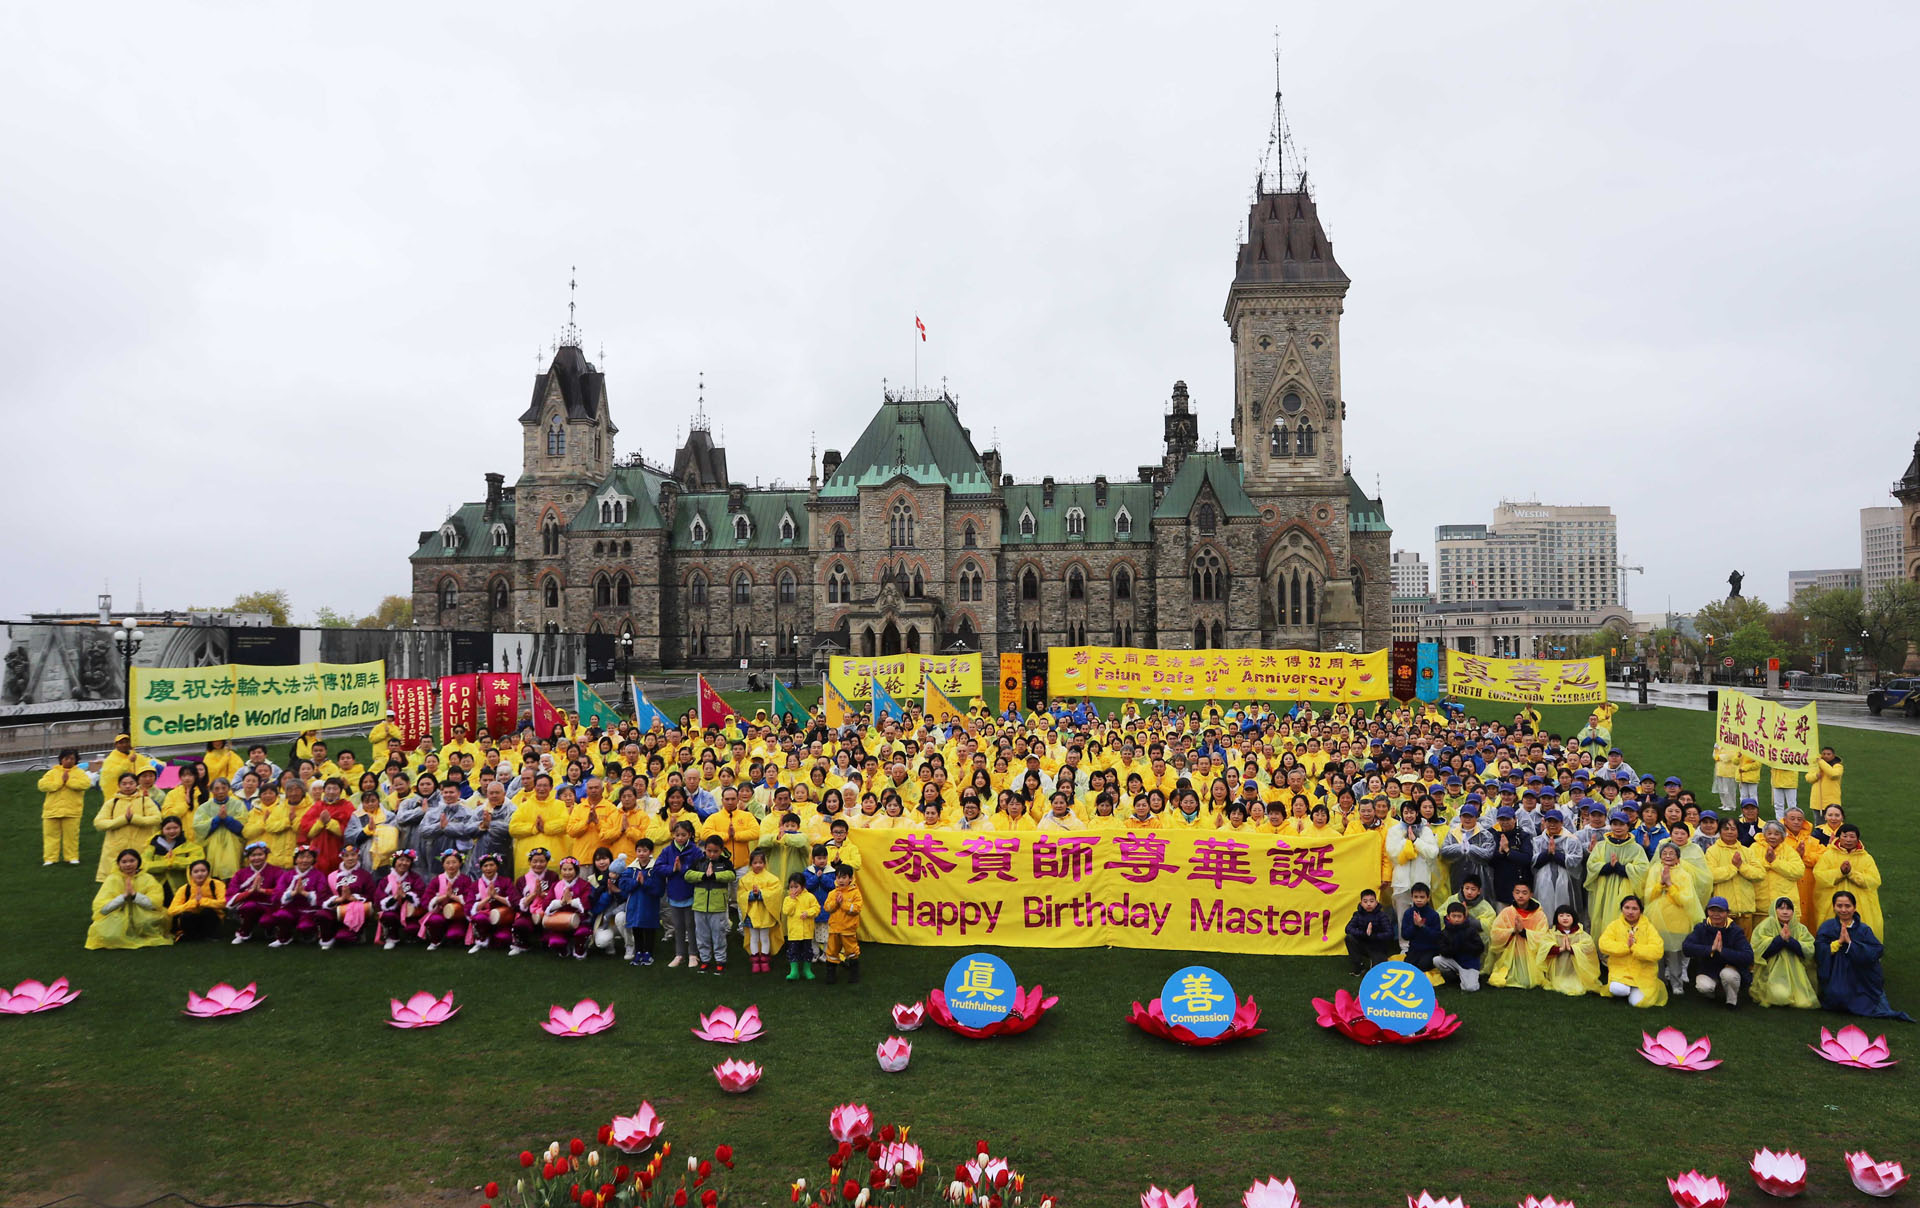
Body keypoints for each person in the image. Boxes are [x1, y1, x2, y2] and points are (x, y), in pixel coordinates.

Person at [1815, 891, 1911, 1021]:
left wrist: (1850, 944)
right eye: (1839, 906)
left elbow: (1876, 950)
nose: (1843, 910)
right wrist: (1838, 943)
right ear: (1834, 907)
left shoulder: (1863, 930)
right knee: (1837, 995)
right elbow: (1820, 951)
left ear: (1854, 907)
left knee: (1865, 1000)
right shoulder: (1827, 927)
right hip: (1837, 974)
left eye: (1847, 906)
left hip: (1861, 976)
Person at [1642, 841, 1703, 996]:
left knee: (1675, 954)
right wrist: (1660, 884)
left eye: (1672, 854)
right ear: (1660, 857)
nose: (1668, 856)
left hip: (1677, 920)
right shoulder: (1655, 870)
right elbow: (1648, 895)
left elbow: (1686, 899)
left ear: (1678, 858)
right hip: (1656, 918)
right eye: (1665, 853)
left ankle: (1677, 983)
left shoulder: (1684, 874)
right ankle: (1659, 981)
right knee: (1658, 953)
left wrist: (1669, 885)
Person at [87, 848, 171, 950]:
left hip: (143, 914)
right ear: (118, 864)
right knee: (109, 935)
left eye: (132, 861)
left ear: (138, 862)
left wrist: (135, 896)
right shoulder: (112, 879)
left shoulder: (147, 878)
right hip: (117, 914)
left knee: (148, 922)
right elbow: (103, 909)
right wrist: (124, 897)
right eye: (124, 862)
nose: (128, 865)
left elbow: (155, 904)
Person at [1583, 809, 1649, 934]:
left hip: (1626, 888)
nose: (1618, 827)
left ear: (1628, 826)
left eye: (1621, 824)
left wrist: (1621, 868)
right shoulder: (1601, 846)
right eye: (1615, 824)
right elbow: (1591, 865)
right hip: (1603, 889)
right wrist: (1608, 867)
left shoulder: (1636, 848)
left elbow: (1643, 869)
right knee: (1602, 918)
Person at [1681, 895, 1753, 1008]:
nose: (1716, 914)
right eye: (1712, 910)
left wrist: (1722, 951)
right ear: (1707, 911)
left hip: (1730, 968)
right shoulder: (1701, 927)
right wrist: (1711, 949)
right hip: (1708, 969)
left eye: (1720, 911)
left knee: (1728, 976)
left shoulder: (1736, 931)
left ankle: (1731, 1001)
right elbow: (1686, 948)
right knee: (1703, 987)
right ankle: (1713, 995)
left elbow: (1748, 956)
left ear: (1727, 912)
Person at [1813, 824, 1882, 938]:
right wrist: (1840, 872)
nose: (1848, 840)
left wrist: (1851, 873)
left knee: (1861, 933)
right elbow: (1819, 875)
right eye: (1845, 836)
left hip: (1861, 904)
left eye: (1852, 836)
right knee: (1831, 933)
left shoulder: (1866, 858)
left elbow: (1874, 880)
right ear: (1839, 837)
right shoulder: (1828, 855)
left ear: (1857, 839)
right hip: (1832, 903)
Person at [1598, 894, 1667, 1008]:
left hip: (1643, 974)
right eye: (1627, 908)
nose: (1630, 912)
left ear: (1641, 911)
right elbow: (1603, 944)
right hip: (1621, 973)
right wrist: (1626, 947)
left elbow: (1657, 951)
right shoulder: (1614, 925)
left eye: (1634, 908)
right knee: (1616, 989)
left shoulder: (1649, 927)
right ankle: (1627, 989)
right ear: (1622, 909)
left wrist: (1634, 947)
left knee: (1637, 1003)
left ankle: (1634, 990)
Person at [93, 772, 162, 882]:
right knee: (115, 883)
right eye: (124, 784)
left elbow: (156, 818)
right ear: (119, 785)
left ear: (136, 784)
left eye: (131, 783)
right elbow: (99, 823)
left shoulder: (145, 800)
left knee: (143, 880)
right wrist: (123, 820)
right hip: (116, 847)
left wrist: (134, 819)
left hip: (141, 846)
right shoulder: (112, 803)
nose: (128, 786)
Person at [1751, 896, 1818, 1009]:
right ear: (1774, 910)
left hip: (1796, 972)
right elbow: (1760, 951)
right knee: (1780, 996)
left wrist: (1790, 941)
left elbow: (1809, 951)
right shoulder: (1764, 927)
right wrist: (1779, 940)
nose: (1785, 912)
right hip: (1771, 972)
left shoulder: (1800, 928)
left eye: (1788, 909)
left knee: (1803, 1003)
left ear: (1793, 911)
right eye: (1781, 908)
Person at [685, 835, 737, 974]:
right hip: (700, 906)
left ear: (721, 850)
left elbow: (731, 876)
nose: (712, 854)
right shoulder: (699, 862)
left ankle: (720, 960)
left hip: (717, 906)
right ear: (705, 849)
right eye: (709, 851)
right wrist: (702, 876)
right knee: (702, 935)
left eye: (715, 851)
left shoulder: (725, 863)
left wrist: (715, 876)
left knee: (718, 935)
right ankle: (705, 960)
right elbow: (688, 875)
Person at [1529, 904, 1603, 997]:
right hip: (1558, 970)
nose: (1565, 918)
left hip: (1576, 971)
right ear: (1556, 918)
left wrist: (1572, 949)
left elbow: (1588, 948)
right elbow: (1544, 948)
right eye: (1561, 915)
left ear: (1574, 917)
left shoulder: (1581, 934)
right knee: (1560, 984)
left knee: (1579, 986)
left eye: (1568, 915)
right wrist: (1560, 949)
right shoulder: (1552, 933)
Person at [655, 820, 701, 968]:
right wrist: (672, 869)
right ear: (673, 835)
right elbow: (658, 867)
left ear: (690, 835)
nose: (680, 838)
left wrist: (682, 869)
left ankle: (693, 954)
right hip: (674, 894)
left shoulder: (695, 851)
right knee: (678, 926)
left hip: (691, 893)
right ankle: (679, 954)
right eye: (677, 835)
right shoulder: (667, 851)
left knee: (691, 925)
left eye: (683, 835)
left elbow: (699, 870)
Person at [616, 838, 666, 966]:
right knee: (636, 928)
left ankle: (648, 953)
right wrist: (636, 882)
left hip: (649, 905)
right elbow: (623, 885)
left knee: (649, 928)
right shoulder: (631, 869)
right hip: (634, 905)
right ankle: (638, 952)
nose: (641, 853)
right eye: (639, 850)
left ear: (651, 851)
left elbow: (659, 889)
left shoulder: (655, 869)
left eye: (645, 850)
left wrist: (645, 883)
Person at [1486, 882, 1545, 989]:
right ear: (1513, 894)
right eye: (1517, 892)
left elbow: (1543, 936)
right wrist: (1512, 931)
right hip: (1510, 955)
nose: (1520, 896)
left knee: (1528, 981)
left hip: (1530, 957)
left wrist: (1523, 932)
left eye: (1524, 893)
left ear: (1531, 895)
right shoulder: (1507, 912)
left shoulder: (1539, 914)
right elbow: (1495, 933)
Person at [317, 843, 375, 949]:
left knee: (343, 938)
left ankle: (357, 932)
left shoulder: (365, 875)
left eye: (353, 855)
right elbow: (324, 896)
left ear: (358, 856)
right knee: (322, 914)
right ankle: (328, 938)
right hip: (336, 908)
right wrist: (339, 899)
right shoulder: (332, 876)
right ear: (341, 857)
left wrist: (353, 898)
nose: (350, 858)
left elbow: (371, 895)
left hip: (355, 911)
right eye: (346, 855)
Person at [38, 749, 90, 865]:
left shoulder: (80, 773)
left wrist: (68, 782)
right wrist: (59, 783)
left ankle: (72, 857)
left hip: (72, 811)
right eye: (66, 758)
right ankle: (50, 858)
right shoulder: (53, 772)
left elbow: (85, 784)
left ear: (76, 760)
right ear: (61, 759)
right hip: (52, 811)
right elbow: (42, 785)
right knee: (50, 836)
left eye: (72, 758)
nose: (69, 761)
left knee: (71, 836)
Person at [268, 846, 326, 948]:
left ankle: (310, 933)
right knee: (281, 914)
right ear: (295, 859)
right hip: (291, 909)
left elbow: (322, 896)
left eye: (308, 857)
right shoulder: (287, 875)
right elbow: (277, 894)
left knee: (305, 926)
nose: (305, 860)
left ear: (313, 859)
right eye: (301, 857)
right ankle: (284, 937)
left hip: (309, 911)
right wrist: (293, 893)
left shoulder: (319, 875)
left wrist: (305, 893)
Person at [735, 848, 781, 974]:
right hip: (751, 914)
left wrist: (761, 894)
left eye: (760, 862)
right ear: (751, 864)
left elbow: (776, 893)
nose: (758, 865)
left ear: (765, 863)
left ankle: (765, 959)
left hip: (766, 914)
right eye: (755, 863)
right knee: (754, 938)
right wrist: (752, 895)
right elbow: (740, 894)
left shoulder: (771, 878)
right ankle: (755, 960)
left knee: (765, 937)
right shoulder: (745, 879)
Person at [225, 843, 283, 944]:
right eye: (253, 855)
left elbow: (282, 891)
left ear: (266, 855)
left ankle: (270, 929)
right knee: (250, 906)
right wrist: (250, 891)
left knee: (266, 921)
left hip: (270, 905)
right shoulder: (241, 873)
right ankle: (244, 932)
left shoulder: (276, 871)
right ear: (248, 857)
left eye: (260, 854)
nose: (256, 858)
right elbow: (231, 893)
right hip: (249, 906)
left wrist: (263, 891)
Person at [194, 778, 249, 879]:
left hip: (233, 844)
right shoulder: (205, 807)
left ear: (228, 789)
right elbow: (199, 827)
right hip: (212, 846)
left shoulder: (238, 804)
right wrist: (217, 819)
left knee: (232, 873)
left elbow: (243, 827)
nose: (220, 791)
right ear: (211, 790)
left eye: (224, 788)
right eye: (217, 788)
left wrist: (227, 819)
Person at [509, 847, 557, 957]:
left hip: (546, 913)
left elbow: (556, 895)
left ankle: (547, 940)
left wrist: (543, 895)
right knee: (520, 924)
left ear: (547, 862)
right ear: (530, 862)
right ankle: (522, 944)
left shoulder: (552, 876)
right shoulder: (522, 880)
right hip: (528, 914)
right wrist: (534, 895)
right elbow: (516, 902)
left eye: (542, 861)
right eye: (535, 861)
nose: (538, 864)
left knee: (549, 940)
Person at [466, 852, 516, 954]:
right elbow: (469, 906)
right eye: (485, 866)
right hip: (483, 918)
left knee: (503, 939)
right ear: (481, 868)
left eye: (492, 865)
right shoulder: (475, 885)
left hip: (502, 917)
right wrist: (488, 897)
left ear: (497, 866)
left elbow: (513, 900)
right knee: (479, 918)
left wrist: (496, 897)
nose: (488, 868)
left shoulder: (506, 881)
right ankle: (482, 938)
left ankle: (494, 936)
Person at [821, 863, 863, 983]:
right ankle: (831, 975)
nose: (841, 880)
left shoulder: (855, 893)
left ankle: (854, 974)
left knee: (851, 952)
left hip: (848, 930)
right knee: (832, 952)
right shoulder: (832, 893)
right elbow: (827, 907)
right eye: (838, 877)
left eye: (844, 877)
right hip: (834, 929)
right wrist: (835, 903)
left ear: (850, 878)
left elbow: (857, 908)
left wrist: (843, 904)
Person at [376, 850, 426, 949]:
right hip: (393, 911)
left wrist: (405, 896)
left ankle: (411, 936)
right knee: (388, 916)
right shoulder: (386, 880)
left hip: (410, 913)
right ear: (395, 861)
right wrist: (395, 898)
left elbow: (421, 894)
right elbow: (379, 898)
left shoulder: (415, 878)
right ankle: (391, 937)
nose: (404, 863)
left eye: (407, 861)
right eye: (401, 860)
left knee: (412, 928)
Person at [167, 858, 226, 942]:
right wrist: (193, 903)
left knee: (207, 911)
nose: (200, 874)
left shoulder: (217, 884)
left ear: (208, 872)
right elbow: (171, 911)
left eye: (203, 871)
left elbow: (224, 902)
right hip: (192, 919)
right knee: (186, 915)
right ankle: (192, 936)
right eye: (196, 872)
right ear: (190, 874)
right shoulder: (184, 888)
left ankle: (212, 935)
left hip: (213, 918)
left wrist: (203, 901)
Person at [1344, 888, 1397, 976]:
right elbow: (1348, 929)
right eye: (1365, 901)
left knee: (1378, 973)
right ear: (1361, 903)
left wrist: (1374, 935)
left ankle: (1375, 961)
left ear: (1376, 902)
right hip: (1363, 945)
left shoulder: (1382, 915)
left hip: (1378, 947)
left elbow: (1390, 933)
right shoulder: (1357, 915)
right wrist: (1364, 934)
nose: (1368, 904)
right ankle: (1359, 965)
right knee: (1349, 938)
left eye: (1371, 901)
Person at [1433, 901, 1484, 992]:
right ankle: (1453, 978)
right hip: (1454, 960)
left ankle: (1472, 977)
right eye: (1454, 916)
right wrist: (1454, 948)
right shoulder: (1445, 932)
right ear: (1448, 917)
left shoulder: (1471, 930)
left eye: (1459, 916)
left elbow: (1480, 947)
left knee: (1470, 988)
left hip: (1469, 964)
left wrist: (1465, 946)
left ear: (1464, 917)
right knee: (1436, 960)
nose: (1456, 919)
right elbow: (1443, 950)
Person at [782, 872, 822, 981]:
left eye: (796, 887)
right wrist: (792, 900)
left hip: (806, 932)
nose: (793, 889)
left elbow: (817, 908)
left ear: (803, 886)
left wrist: (808, 913)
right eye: (791, 887)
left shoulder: (810, 897)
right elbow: (786, 911)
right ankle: (794, 971)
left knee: (807, 951)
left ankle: (806, 970)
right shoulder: (788, 899)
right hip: (794, 932)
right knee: (793, 951)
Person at [1400, 883, 1442, 971]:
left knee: (1422, 966)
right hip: (1414, 949)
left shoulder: (1434, 915)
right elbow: (1405, 935)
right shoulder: (1408, 913)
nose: (1419, 900)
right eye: (1416, 897)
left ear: (1428, 898)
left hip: (1430, 949)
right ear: (1412, 897)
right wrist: (1415, 926)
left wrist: (1422, 926)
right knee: (1408, 967)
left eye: (1422, 897)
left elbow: (1437, 937)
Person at [1807, 746, 1843, 813]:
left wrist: (1821, 762)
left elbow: (1833, 774)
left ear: (1833, 756)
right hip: (1817, 802)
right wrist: (1816, 776)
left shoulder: (1838, 766)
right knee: (1818, 823)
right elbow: (1808, 778)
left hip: (1832, 802)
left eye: (1828, 754)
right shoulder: (1816, 766)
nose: (1826, 756)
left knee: (1833, 822)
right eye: (1824, 754)